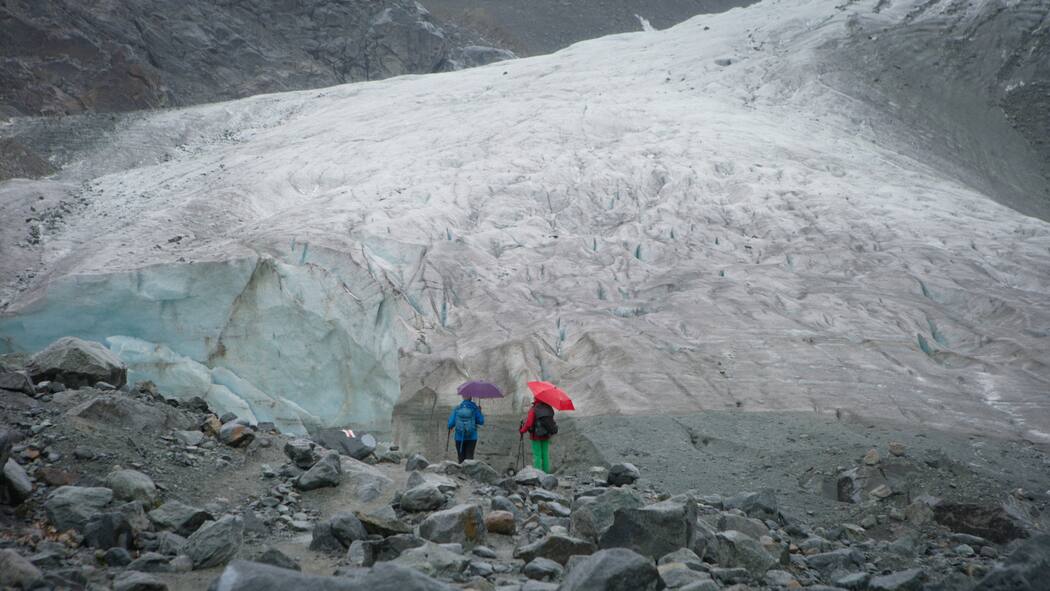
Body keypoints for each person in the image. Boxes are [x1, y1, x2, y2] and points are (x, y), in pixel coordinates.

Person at [519, 399, 558, 473]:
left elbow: (529, 423)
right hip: (546, 435)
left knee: (537, 455)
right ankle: (546, 473)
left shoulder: (534, 409)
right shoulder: (548, 408)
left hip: (536, 436)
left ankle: (538, 473)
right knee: (545, 455)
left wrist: (522, 430)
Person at [447, 397, 484, 463]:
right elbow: (481, 421)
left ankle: (461, 472)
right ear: (471, 397)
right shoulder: (475, 408)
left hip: (459, 438)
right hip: (472, 438)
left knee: (461, 459)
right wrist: (480, 411)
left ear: (463, 397)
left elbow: (450, 424)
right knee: (469, 458)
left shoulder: (457, 408)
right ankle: (468, 472)